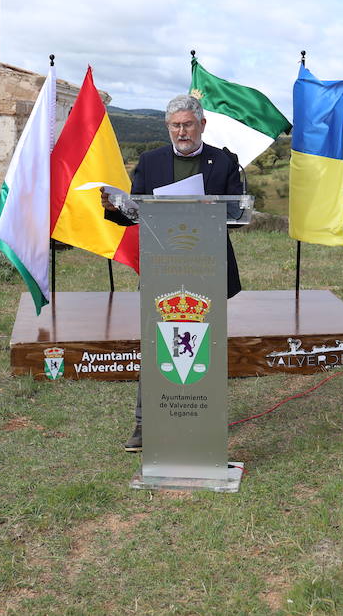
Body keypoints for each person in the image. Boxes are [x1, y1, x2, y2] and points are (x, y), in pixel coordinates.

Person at [106, 93, 245, 452]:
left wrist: (210, 209)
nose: (181, 131)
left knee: (206, 344)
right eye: (175, 125)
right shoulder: (151, 161)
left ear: (202, 125)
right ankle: (144, 424)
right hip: (162, 265)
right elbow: (133, 213)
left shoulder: (224, 161)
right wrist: (115, 205)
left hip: (208, 265)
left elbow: (238, 215)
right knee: (155, 343)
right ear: (167, 127)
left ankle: (202, 418)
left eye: (187, 124)